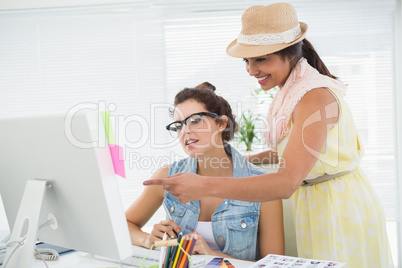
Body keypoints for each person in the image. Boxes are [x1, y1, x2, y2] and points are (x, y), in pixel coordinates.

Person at [144, 3, 394, 267]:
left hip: (339, 210)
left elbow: (286, 183)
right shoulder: (291, 92)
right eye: (247, 61)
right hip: (315, 206)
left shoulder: (314, 96)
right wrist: (248, 158)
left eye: (261, 59)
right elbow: (304, 150)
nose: (251, 70)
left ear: (290, 53)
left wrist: (202, 185)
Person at [126, 82, 284, 260]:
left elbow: (274, 264)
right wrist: (148, 239)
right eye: (178, 126)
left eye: (195, 120)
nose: (185, 131)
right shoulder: (168, 177)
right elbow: (123, 224)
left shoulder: (263, 186)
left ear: (221, 124)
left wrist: (213, 256)